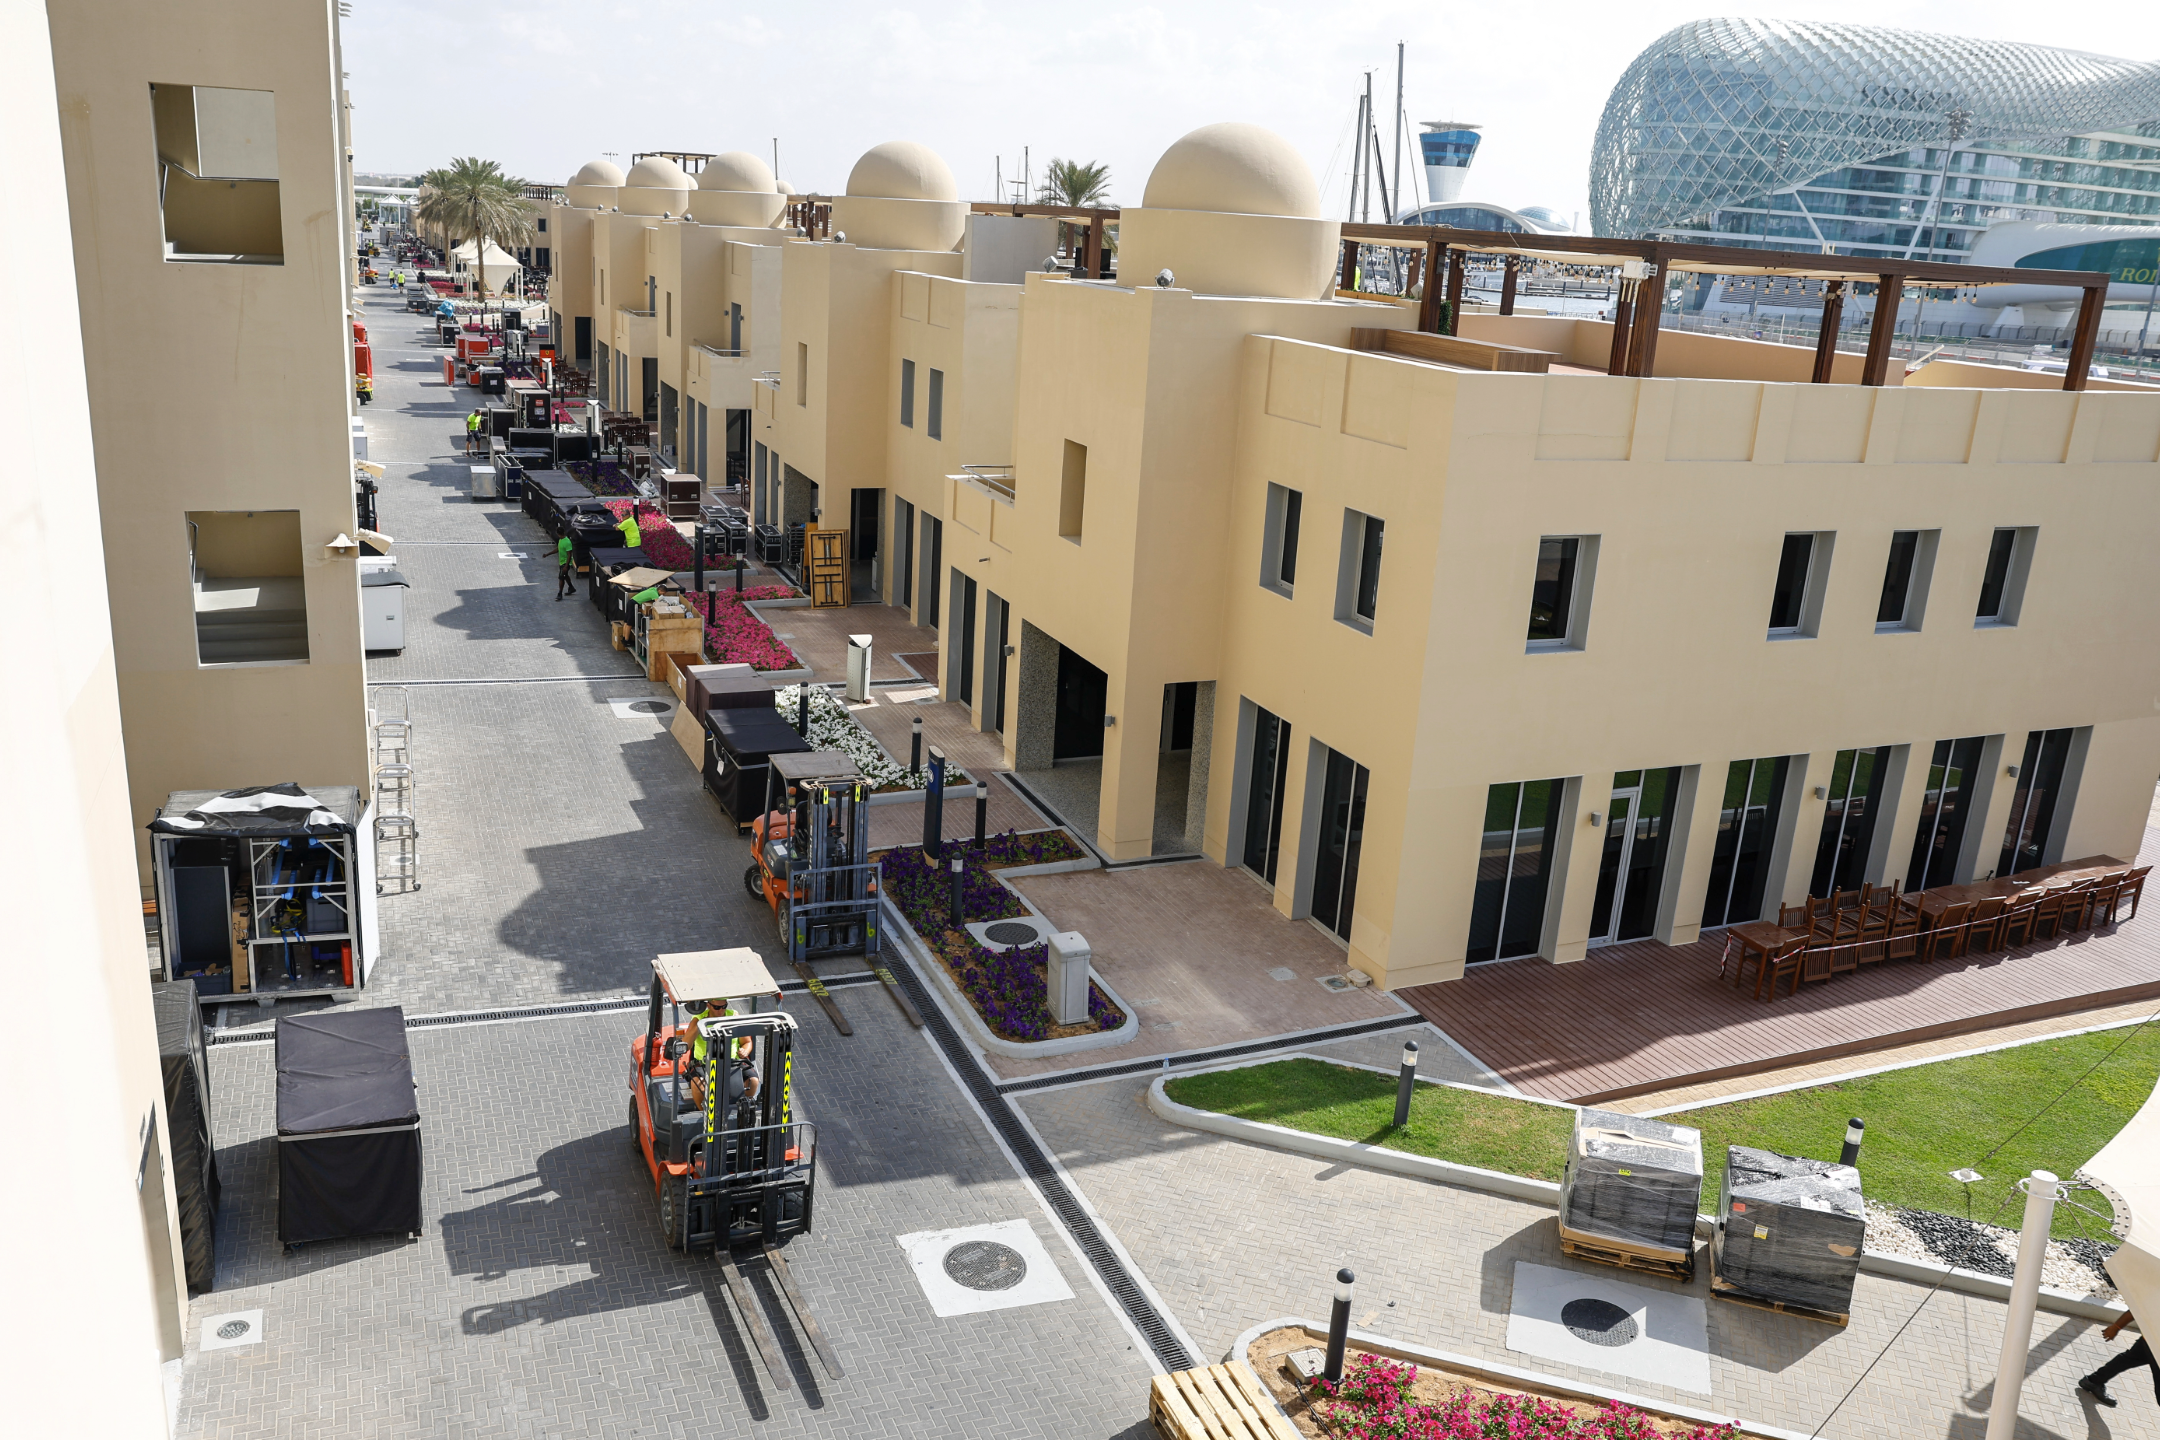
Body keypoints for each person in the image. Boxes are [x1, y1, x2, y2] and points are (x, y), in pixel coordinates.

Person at [2081, 1309, 2156, 1408]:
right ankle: (2094, 1381)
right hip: (2154, 1342)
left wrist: (2116, 1327)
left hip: (2151, 1339)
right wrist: (2116, 1327)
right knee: (2127, 1360)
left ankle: (2094, 1381)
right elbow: (2139, 1307)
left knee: (2127, 1360)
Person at [555, 534, 577, 600]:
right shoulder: (560, 540)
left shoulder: (567, 542)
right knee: (565, 575)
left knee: (561, 578)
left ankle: (560, 593)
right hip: (561, 562)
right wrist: (547, 554)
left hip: (565, 563)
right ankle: (571, 587)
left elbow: (569, 554)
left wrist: (566, 566)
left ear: (558, 534)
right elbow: (557, 549)